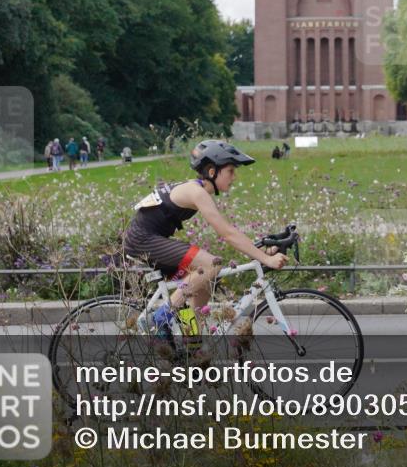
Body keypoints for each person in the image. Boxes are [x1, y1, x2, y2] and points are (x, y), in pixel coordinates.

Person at [122, 140, 287, 341]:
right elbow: (227, 233)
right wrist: (266, 259)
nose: (234, 177)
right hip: (142, 240)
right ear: (212, 172)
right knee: (211, 264)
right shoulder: (196, 192)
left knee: (205, 283)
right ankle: (161, 316)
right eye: (231, 171)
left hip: (148, 238)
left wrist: (262, 253)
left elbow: (229, 232)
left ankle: (192, 347)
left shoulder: (197, 190)